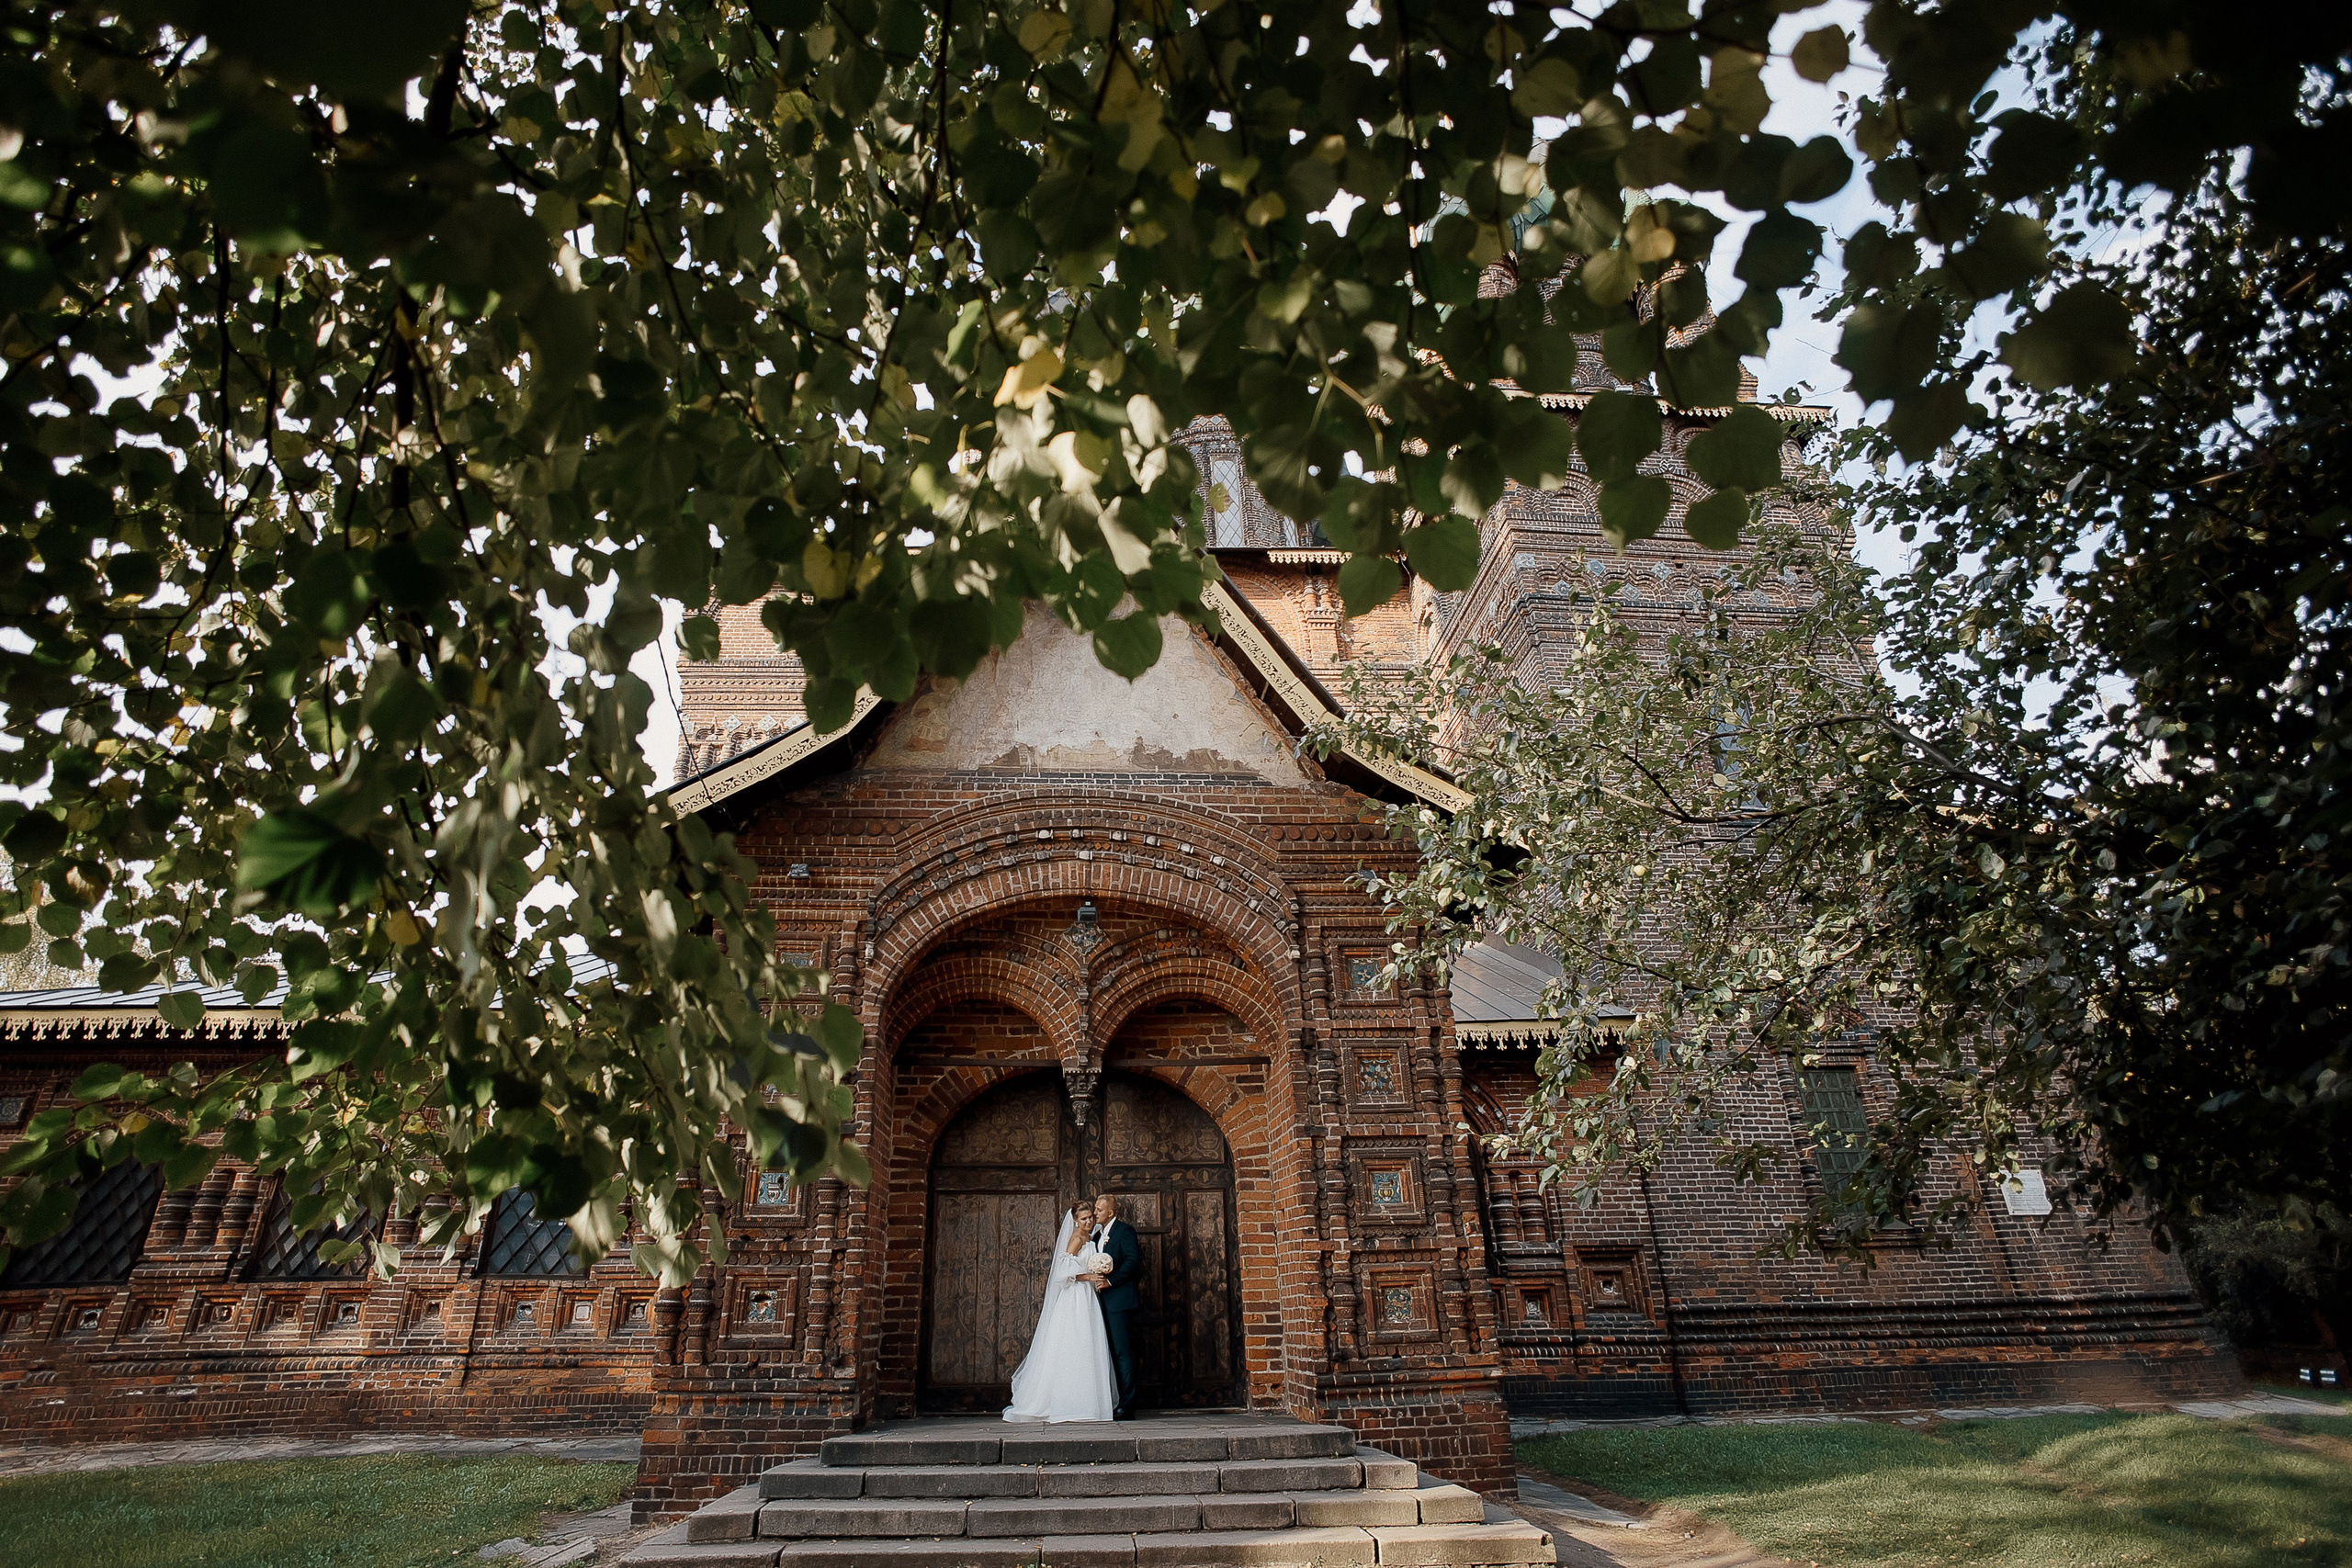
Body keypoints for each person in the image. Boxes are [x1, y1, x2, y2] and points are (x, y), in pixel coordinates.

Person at [1001, 1207, 1116, 1423]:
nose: (1088, 1221)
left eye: (1090, 1217)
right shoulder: (1076, 1239)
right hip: (1075, 1297)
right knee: (1074, 1342)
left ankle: (1088, 1401)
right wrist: (1091, 1277)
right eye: (1083, 1219)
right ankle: (1068, 1403)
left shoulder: (1090, 1237)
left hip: (1088, 1297)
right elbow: (1064, 1273)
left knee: (1088, 1343)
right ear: (1075, 1220)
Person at [1086, 1192, 1143, 1419]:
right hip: (1099, 1302)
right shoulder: (1096, 1235)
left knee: (1122, 1353)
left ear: (1110, 1212)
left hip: (1119, 1301)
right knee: (1105, 1352)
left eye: (1099, 1210)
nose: (1095, 1213)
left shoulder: (1124, 1231)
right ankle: (1110, 1399)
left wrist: (1111, 1280)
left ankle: (1127, 1406)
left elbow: (1132, 1261)